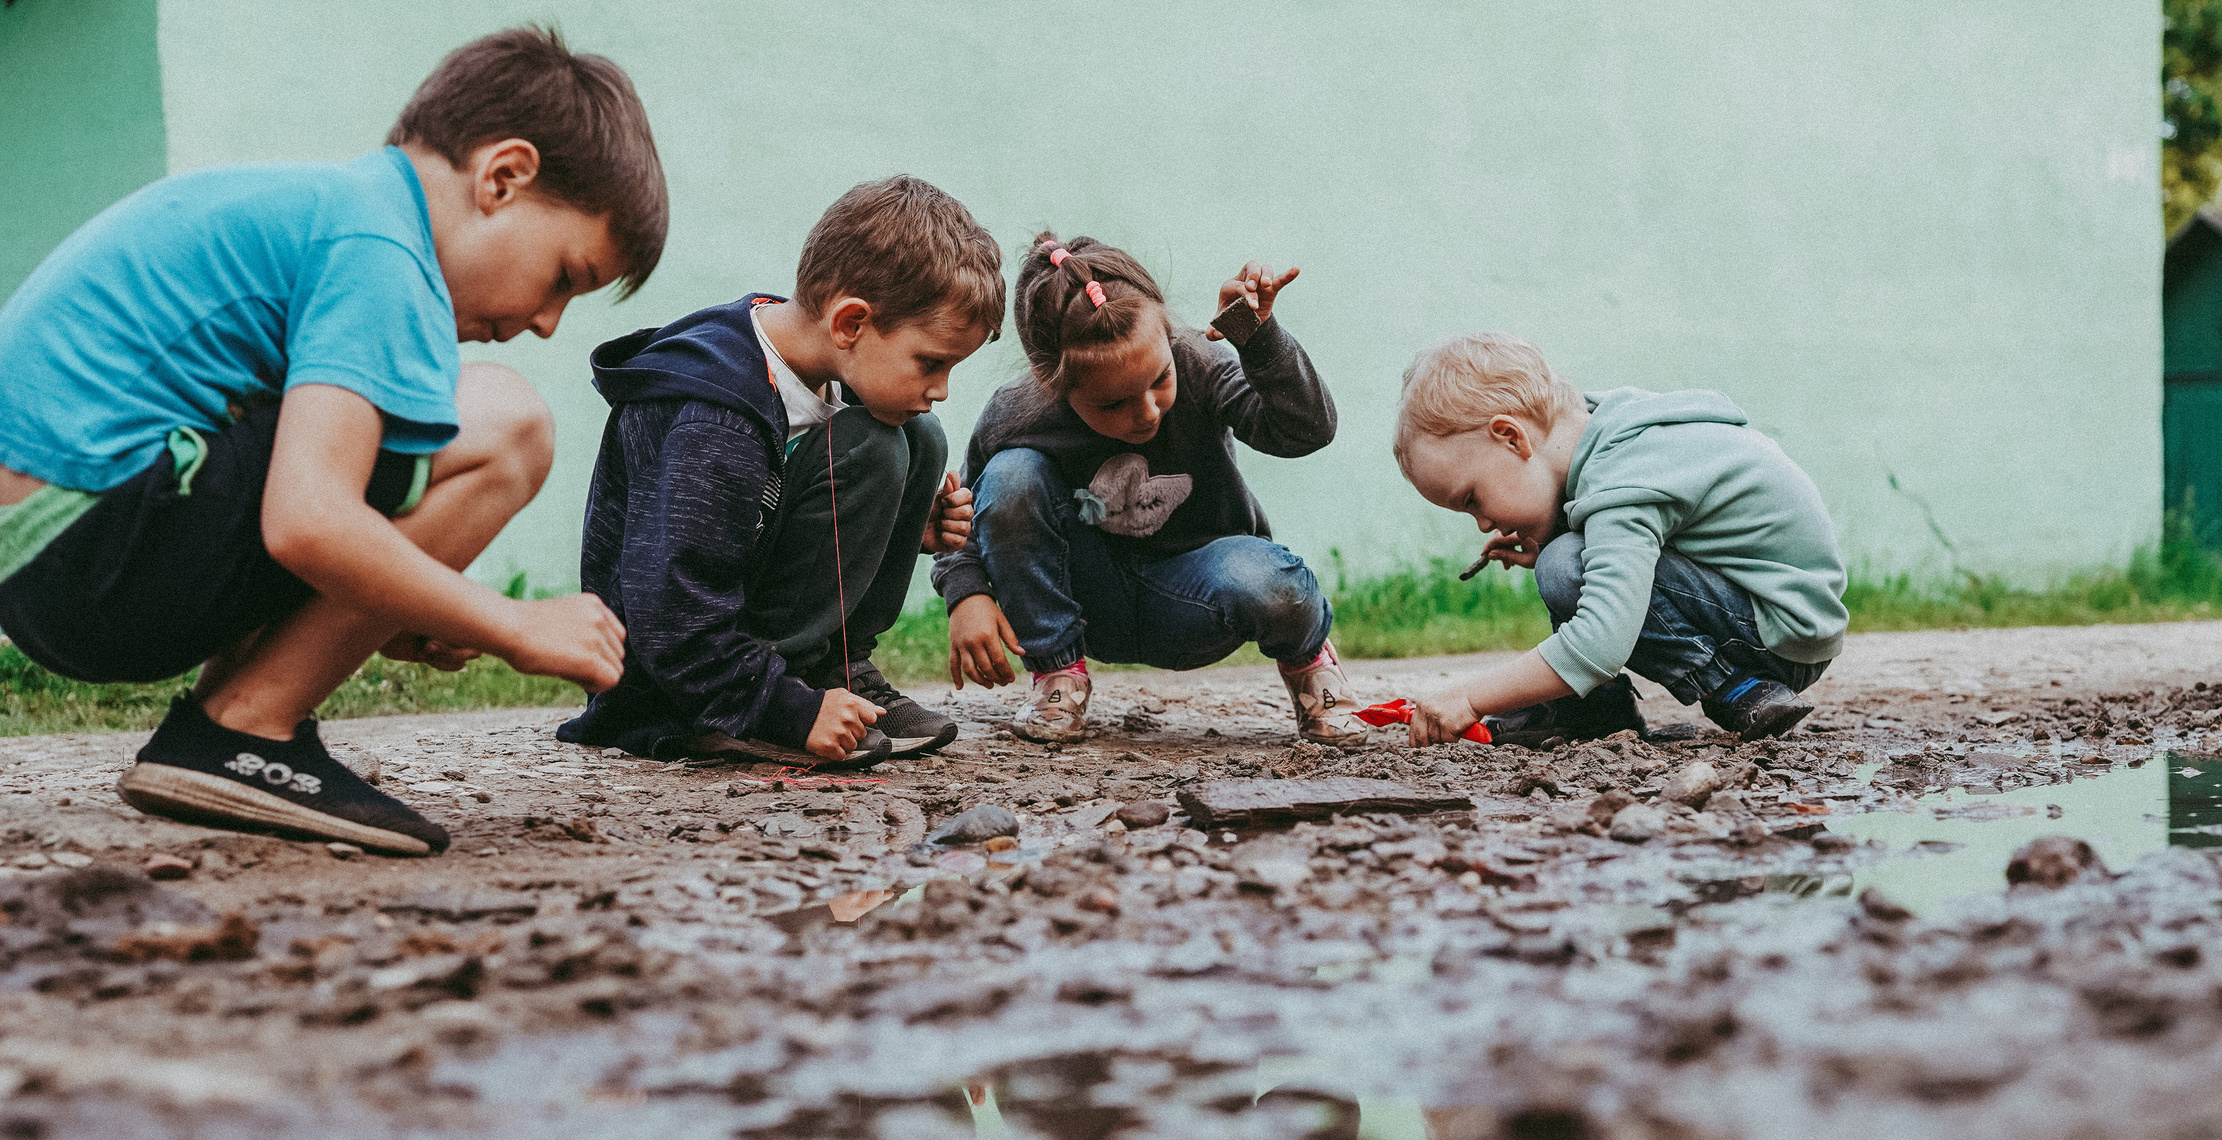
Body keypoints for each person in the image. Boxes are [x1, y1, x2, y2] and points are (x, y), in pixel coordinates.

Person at [0, 27, 657, 856]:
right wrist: (513, 623)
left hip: (48, 564)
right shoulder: (381, 246)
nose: (547, 322)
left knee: (361, 431)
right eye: (565, 276)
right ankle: (244, 725)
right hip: (96, 542)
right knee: (508, 423)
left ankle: (230, 729)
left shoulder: (334, 211)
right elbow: (306, 520)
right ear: (503, 177)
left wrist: (387, 610)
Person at [560, 176, 1000, 769]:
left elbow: (777, 513)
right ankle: (782, 695)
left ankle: (837, 669)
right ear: (850, 323)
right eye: (931, 362)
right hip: (670, 684)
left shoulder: (814, 362)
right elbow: (672, 612)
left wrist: (896, 518)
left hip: (741, 634)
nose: (941, 388)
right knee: (875, 444)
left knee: (919, 438)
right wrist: (783, 709)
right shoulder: (717, 418)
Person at [935, 234, 1369, 744]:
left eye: (1160, 379)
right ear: (1051, 382)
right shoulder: (1015, 414)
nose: (1146, 412)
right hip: (1086, 601)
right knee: (1010, 475)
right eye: (1113, 404)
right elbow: (962, 516)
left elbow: (1305, 431)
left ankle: (1310, 664)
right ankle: (1058, 677)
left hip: (1202, 598)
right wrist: (967, 596)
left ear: (1168, 335)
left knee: (1270, 580)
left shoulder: (1200, 363)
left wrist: (1258, 339)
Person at [1391, 331, 1848, 748]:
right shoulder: (1613, 430)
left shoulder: (1621, 477)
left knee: (1566, 566)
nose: (1483, 524)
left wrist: (1469, 698)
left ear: (1511, 437)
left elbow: (1599, 643)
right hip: (1777, 612)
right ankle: (1593, 711)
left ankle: (1733, 686)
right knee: (1563, 557)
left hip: (1777, 634)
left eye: (1472, 499)